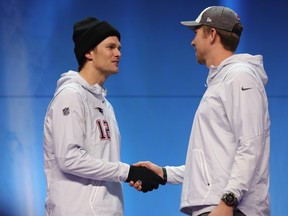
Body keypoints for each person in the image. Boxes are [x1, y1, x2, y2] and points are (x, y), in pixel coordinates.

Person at [132, 6, 270, 216]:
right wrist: (165, 173)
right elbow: (213, 164)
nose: (192, 41)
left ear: (212, 34)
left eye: (196, 33)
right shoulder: (223, 80)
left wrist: (228, 201)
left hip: (232, 209)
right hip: (219, 207)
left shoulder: (240, 77)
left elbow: (251, 145)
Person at [43, 17, 165, 216]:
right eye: (110, 47)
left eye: (119, 48)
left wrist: (133, 173)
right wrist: (127, 172)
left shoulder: (105, 105)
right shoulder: (70, 96)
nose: (118, 53)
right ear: (89, 52)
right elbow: (69, 158)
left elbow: (102, 161)